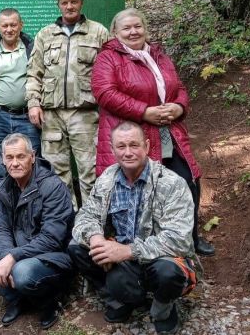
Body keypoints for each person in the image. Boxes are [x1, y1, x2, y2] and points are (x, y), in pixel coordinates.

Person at [91, 7, 214, 256]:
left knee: (187, 179)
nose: (133, 31)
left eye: (138, 26)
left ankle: (189, 237)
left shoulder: (158, 55)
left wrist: (179, 107)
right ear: (116, 32)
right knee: (142, 187)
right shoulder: (108, 57)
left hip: (169, 131)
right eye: (127, 28)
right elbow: (104, 93)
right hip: (132, 134)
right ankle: (143, 247)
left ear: (146, 29)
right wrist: (144, 112)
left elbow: (178, 87)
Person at [69, 121, 198, 335]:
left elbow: (179, 239)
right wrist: (96, 239)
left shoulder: (172, 183)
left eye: (134, 145)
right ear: (112, 150)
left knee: (169, 272)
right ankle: (118, 299)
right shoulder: (106, 180)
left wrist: (128, 251)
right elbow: (86, 215)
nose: (128, 152)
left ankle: (163, 309)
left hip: (158, 258)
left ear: (147, 146)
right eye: (121, 146)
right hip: (122, 259)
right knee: (77, 247)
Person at [0, 133, 74, 330]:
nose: (15, 163)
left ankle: (50, 301)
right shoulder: (6, 186)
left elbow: (52, 239)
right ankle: (17, 298)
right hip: (20, 253)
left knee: (22, 271)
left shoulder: (52, 187)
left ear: (32, 156)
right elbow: (0, 226)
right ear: (3, 160)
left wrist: (13, 258)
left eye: (20, 156)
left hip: (53, 257)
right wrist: (6, 256)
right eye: (9, 158)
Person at [26, 0, 109, 208]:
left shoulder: (98, 32)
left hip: (85, 114)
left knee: (89, 170)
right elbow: (34, 72)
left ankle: (92, 225)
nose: (69, 6)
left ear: (81, 3)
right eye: (65, 2)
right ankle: (64, 222)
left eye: (74, 2)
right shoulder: (45, 34)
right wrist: (33, 104)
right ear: (59, 5)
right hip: (51, 115)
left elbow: (108, 72)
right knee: (56, 172)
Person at [0, 8, 41, 184]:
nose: (9, 29)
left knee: (33, 168)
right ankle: (7, 211)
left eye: (13, 24)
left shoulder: (33, 48)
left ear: (21, 25)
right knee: (2, 169)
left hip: (28, 117)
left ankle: (31, 211)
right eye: (4, 25)